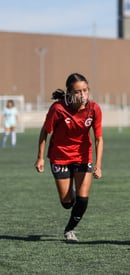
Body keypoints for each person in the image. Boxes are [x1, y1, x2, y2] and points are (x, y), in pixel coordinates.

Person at [34, 73, 104, 243]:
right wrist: (40, 157)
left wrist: (98, 164)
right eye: (78, 92)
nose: (83, 95)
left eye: (86, 90)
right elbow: (45, 131)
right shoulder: (58, 108)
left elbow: (98, 138)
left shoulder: (94, 109)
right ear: (69, 93)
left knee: (83, 199)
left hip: (83, 157)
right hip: (60, 157)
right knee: (67, 203)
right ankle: (70, 193)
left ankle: (69, 230)